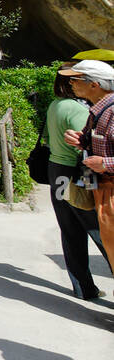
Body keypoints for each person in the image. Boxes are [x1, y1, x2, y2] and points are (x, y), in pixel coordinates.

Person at [44, 62, 110, 299]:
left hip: (56, 171)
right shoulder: (78, 110)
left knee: (69, 228)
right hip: (76, 172)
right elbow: (87, 147)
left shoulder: (55, 105)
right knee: (98, 228)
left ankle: (82, 286)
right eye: (73, 80)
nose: (74, 83)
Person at [60, 60, 114, 269]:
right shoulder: (97, 110)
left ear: (95, 85)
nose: (71, 83)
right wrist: (82, 140)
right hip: (103, 190)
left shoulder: (111, 111)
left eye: (75, 79)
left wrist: (105, 163)